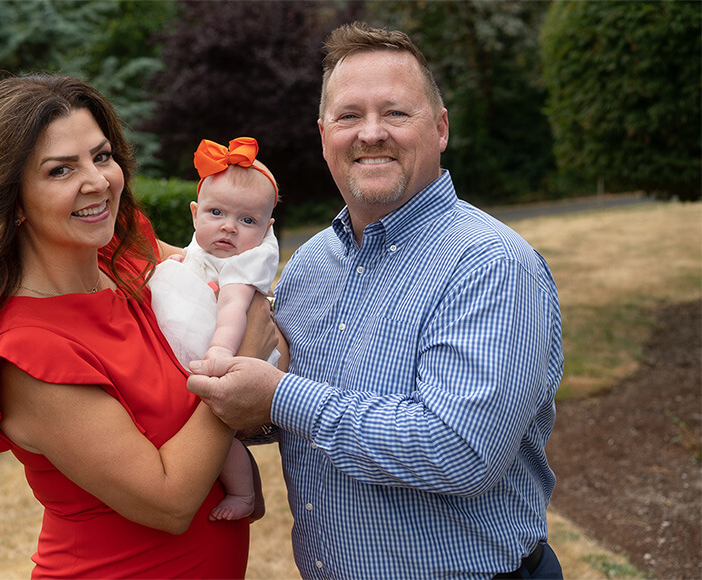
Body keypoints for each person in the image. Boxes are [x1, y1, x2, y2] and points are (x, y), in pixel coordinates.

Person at [187, 22, 565, 579]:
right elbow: (283, 410)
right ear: (323, 135)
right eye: (348, 116)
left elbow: (459, 450)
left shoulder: (492, 266)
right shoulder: (309, 267)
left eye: (395, 113)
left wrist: (281, 398)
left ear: (438, 128)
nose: (370, 133)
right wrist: (248, 408)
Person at [0, 74, 277, 579]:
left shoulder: (126, 257)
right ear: (13, 201)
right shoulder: (31, 352)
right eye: (60, 170)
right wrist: (239, 357)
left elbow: (240, 288)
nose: (96, 181)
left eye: (102, 156)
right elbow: (169, 500)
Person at [148, 136, 280, 521]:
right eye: (216, 213)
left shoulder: (243, 265)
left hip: (228, 350)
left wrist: (222, 351)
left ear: (268, 228)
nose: (229, 229)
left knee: (217, 433)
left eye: (247, 221)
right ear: (194, 214)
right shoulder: (197, 250)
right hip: (192, 347)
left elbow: (233, 311)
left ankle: (243, 494)